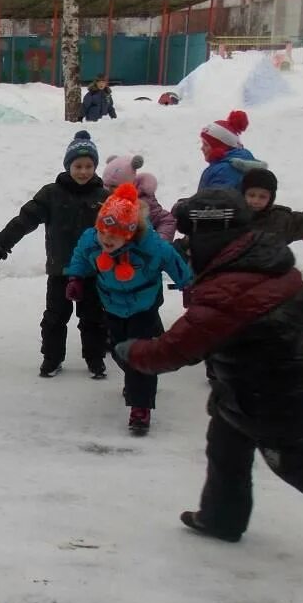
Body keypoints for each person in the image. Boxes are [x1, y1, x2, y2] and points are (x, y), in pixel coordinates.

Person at [118, 189, 303, 572]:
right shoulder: (268, 262)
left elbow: (173, 350)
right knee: (225, 447)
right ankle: (221, 519)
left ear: (213, 235)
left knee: (299, 464)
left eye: (191, 237)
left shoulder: (228, 291)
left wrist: (131, 352)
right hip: (247, 388)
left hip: (271, 398)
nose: (187, 246)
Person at [65, 183, 191, 435]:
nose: (107, 239)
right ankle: (135, 379)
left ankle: (140, 407)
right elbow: (80, 256)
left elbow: (174, 261)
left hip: (143, 304)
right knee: (118, 350)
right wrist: (75, 278)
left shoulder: (151, 247)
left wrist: (187, 285)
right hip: (111, 304)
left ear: (130, 234)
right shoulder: (92, 240)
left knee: (140, 355)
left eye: (115, 234)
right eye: (103, 232)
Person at [0, 130, 110, 378]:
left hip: (93, 270)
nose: (83, 171)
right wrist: (3, 242)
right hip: (61, 269)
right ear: (68, 166)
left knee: (94, 318)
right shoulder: (51, 194)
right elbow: (26, 219)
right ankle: (52, 358)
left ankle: (95, 358)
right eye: (78, 166)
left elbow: (121, 229)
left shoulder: (104, 197)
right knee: (55, 318)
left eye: (89, 166)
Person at [196, 110, 267, 191]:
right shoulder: (238, 161)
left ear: (220, 148)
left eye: (206, 144)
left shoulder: (223, 171)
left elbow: (215, 201)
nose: (202, 148)